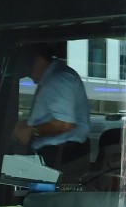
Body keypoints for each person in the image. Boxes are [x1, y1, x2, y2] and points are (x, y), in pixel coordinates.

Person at [12, 44, 91, 174]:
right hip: (58, 153)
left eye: (29, 71)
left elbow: (64, 124)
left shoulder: (59, 79)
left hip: (60, 154)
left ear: (39, 61)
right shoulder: (53, 78)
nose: (30, 77)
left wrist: (32, 130)